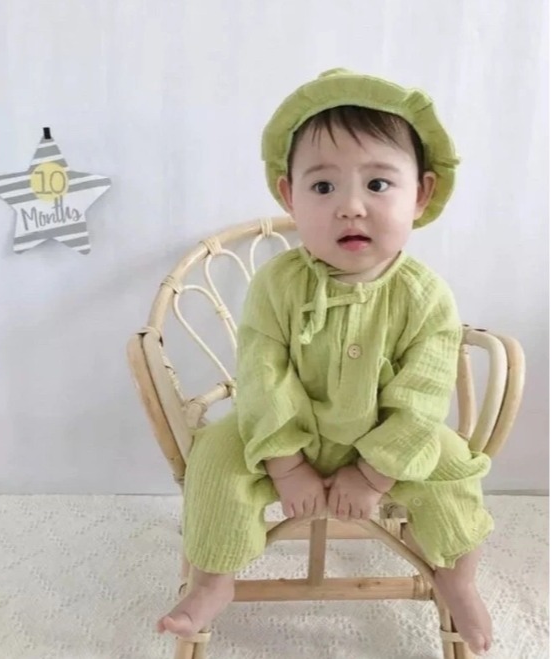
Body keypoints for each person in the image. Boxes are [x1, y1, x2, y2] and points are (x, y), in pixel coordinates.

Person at [157, 68, 494, 655]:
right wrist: (287, 465)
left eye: (378, 184)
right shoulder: (277, 284)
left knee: (454, 469)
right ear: (289, 195)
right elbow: (262, 373)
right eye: (323, 187)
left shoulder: (425, 295)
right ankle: (213, 580)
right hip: (286, 432)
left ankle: (458, 578)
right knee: (215, 458)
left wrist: (375, 474)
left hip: (388, 436)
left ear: (421, 194)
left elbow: (424, 393)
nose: (351, 207)